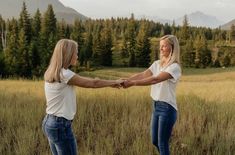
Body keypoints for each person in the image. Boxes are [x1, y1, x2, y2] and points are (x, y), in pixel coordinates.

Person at [42, 39, 123, 155]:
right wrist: (114, 82)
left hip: (49, 122)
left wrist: (112, 84)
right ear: (68, 54)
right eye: (76, 53)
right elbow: (93, 83)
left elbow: (89, 81)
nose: (77, 56)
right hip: (60, 125)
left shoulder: (53, 72)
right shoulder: (65, 74)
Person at [122, 35, 181, 155]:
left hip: (167, 108)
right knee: (155, 141)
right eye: (160, 46)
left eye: (164, 46)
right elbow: (144, 74)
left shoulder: (175, 67)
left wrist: (132, 83)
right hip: (156, 106)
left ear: (173, 48)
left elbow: (155, 79)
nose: (161, 49)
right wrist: (126, 80)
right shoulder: (157, 64)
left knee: (162, 143)